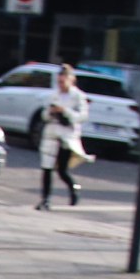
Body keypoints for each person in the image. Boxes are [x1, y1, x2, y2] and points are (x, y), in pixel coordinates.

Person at [35, 63, 89, 210]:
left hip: (67, 135)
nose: (60, 85)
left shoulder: (78, 96)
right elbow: (44, 114)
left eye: (63, 82)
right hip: (51, 133)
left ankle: (73, 188)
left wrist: (65, 111)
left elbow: (82, 115)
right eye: (58, 82)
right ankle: (45, 199)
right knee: (46, 167)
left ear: (70, 80)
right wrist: (51, 112)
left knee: (62, 170)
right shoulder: (54, 95)